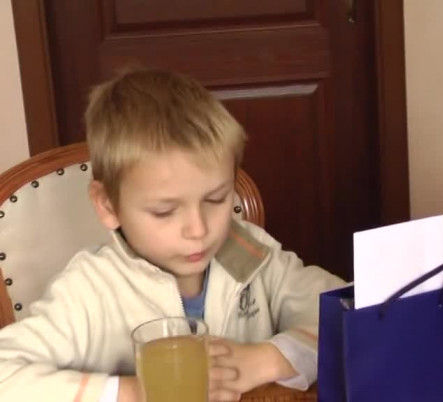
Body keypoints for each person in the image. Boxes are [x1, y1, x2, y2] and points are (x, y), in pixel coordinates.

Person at [0, 68, 345, 401]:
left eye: (216, 199)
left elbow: (353, 312)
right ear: (108, 205)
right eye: (164, 211)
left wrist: (267, 359)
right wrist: (136, 393)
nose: (198, 230)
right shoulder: (87, 291)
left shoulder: (248, 252)